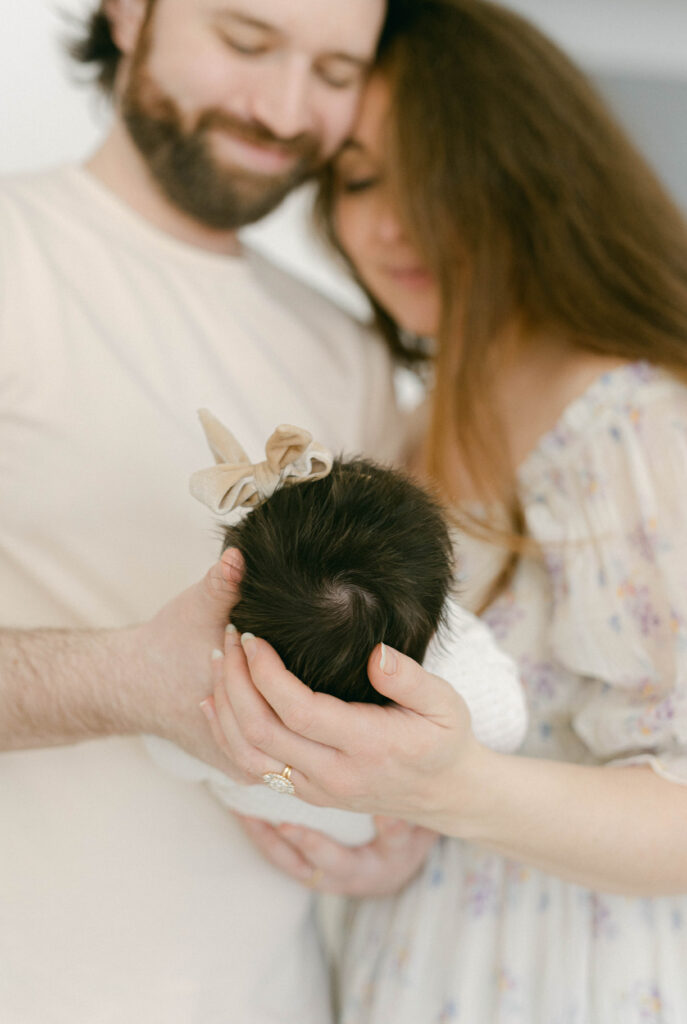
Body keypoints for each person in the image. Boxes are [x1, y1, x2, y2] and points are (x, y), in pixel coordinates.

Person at [205, 1, 687, 1020]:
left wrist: (449, 790)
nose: (389, 225)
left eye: (431, 175)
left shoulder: (638, 428)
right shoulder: (406, 429)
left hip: (581, 979)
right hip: (418, 967)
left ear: (526, 168)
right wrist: (390, 839)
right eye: (358, 180)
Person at [0, 1, 436, 1021]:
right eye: (246, 42)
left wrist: (391, 842)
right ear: (129, 12)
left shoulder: (349, 353)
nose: (282, 110)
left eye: (335, 74)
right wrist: (122, 682)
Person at [145, 410, 526, 844]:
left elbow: (163, 748)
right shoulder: (460, 693)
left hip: (289, 830)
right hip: (378, 829)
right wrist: (443, 616)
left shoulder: (216, 705)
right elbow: (511, 723)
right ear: (434, 630)